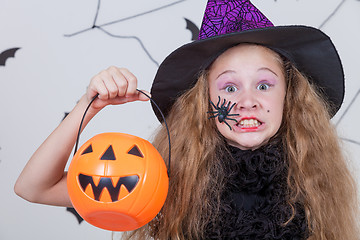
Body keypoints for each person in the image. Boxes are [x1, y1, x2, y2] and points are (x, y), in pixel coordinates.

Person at [15, 0, 358, 239]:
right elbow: (34, 188)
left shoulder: (317, 179)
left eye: (264, 84)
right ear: (203, 100)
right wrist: (87, 107)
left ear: (290, 96)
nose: (248, 101)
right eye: (229, 87)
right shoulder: (169, 174)